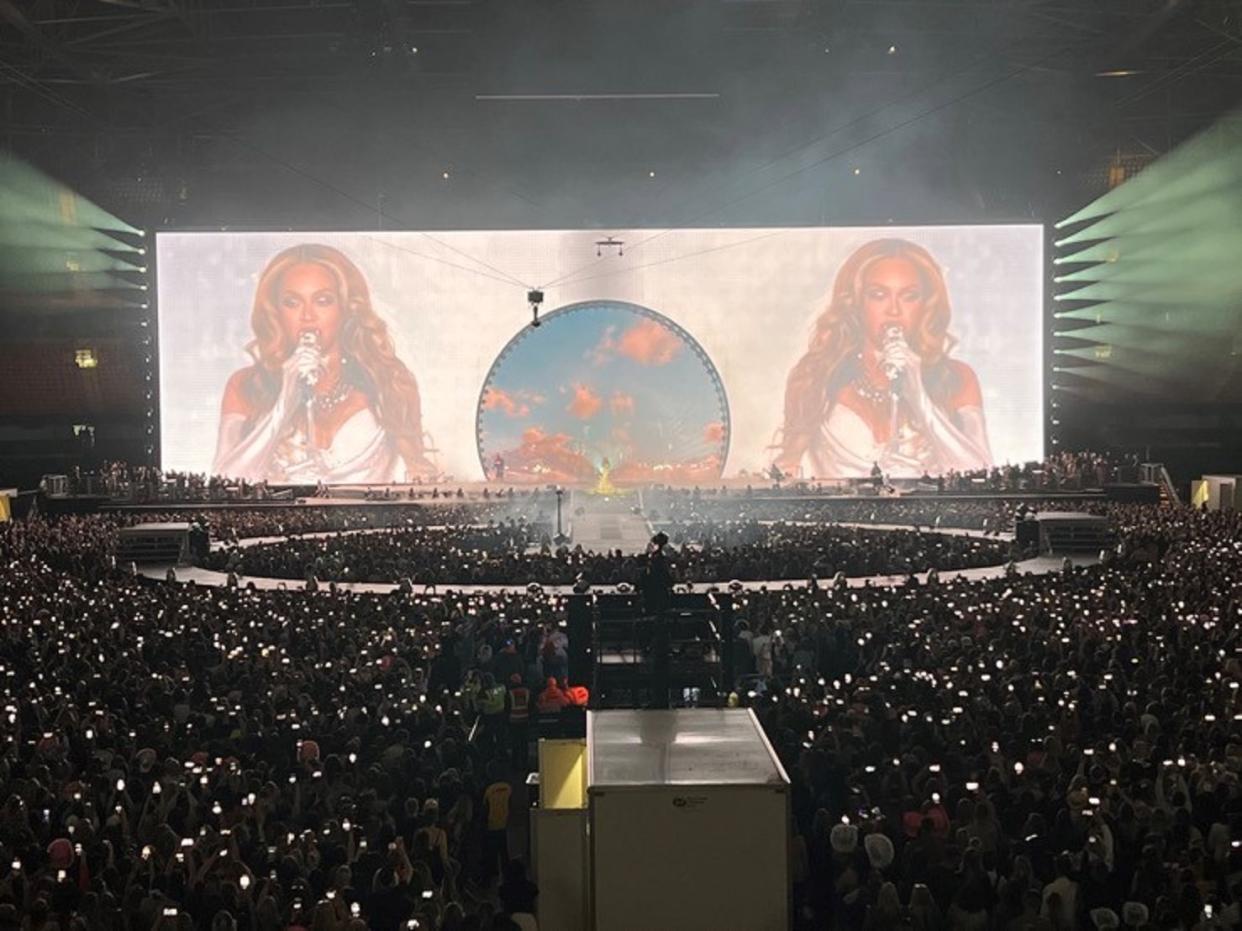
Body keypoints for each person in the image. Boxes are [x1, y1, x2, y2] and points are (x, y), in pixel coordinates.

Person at [212, 243, 436, 483]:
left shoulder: (389, 380)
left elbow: (419, 476)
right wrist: (285, 403)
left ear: (346, 307)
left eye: (322, 300)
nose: (307, 315)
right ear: (275, 311)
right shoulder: (246, 385)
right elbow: (223, 483)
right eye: (292, 302)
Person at [773, 237, 993, 478]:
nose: (894, 310)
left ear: (925, 304)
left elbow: (982, 475)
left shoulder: (957, 378)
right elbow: (786, 470)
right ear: (856, 301)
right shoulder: (816, 375)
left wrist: (918, 396)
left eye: (909, 296)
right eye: (878, 295)